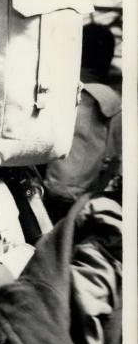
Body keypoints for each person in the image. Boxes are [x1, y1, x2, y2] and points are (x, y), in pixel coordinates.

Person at [43, 21, 122, 223]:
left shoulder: (55, 92)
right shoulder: (114, 105)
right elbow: (114, 159)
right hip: (83, 202)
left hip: (43, 192)